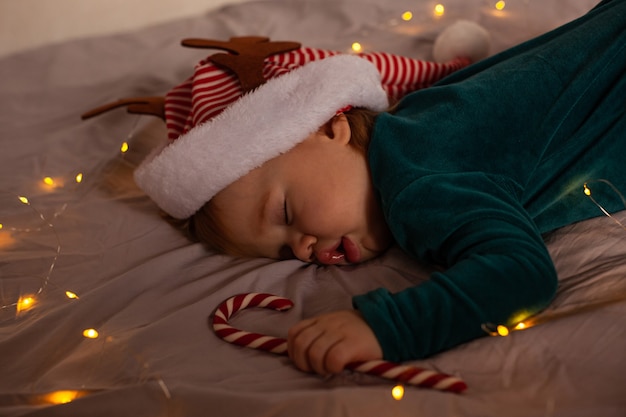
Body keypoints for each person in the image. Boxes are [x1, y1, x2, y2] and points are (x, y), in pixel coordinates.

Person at [133, 0, 626, 376]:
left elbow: (520, 275)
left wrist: (386, 327)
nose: (304, 248)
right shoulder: (414, 117)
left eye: (284, 212)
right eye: (285, 253)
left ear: (331, 127)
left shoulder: (418, 187)